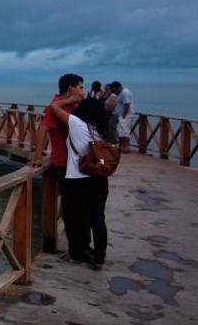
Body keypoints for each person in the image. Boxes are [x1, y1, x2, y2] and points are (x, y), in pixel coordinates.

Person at [48, 96, 111, 270]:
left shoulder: (77, 124)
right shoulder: (101, 130)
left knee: (74, 218)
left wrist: (70, 99)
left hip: (77, 179)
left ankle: (76, 254)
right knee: (98, 219)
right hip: (99, 179)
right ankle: (99, 258)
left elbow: (54, 107)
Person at [30, 74, 84, 252]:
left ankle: (78, 246)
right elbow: (43, 129)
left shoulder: (70, 105)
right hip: (64, 163)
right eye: (80, 87)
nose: (82, 90)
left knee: (77, 206)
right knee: (71, 207)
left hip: (76, 163)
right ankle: (73, 249)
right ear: (70, 88)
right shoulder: (55, 107)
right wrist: (37, 157)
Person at [110, 81, 134, 153]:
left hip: (126, 115)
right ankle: (123, 146)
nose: (115, 92)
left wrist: (123, 115)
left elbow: (127, 104)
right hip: (122, 115)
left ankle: (126, 147)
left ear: (118, 87)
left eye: (114, 90)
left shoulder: (125, 92)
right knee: (122, 131)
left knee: (125, 131)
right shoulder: (122, 93)